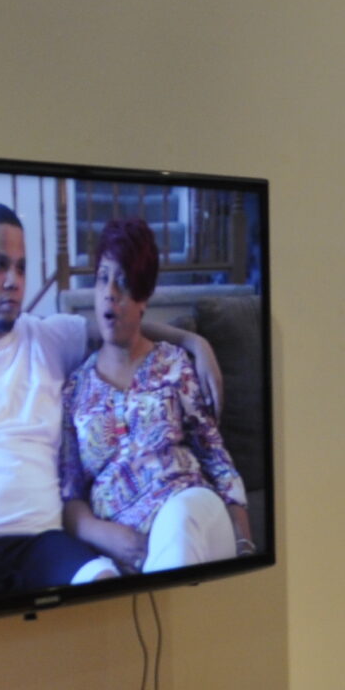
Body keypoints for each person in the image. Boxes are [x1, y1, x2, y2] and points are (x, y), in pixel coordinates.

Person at [0, 203, 221, 613]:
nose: (14, 281)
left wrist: (192, 342)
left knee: (110, 597)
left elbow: (119, 326)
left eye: (21, 267)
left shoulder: (49, 338)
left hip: (42, 546)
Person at [56, 218, 252, 575]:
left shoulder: (173, 364)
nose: (109, 293)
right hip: (124, 546)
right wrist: (106, 535)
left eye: (124, 282)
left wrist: (245, 545)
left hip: (191, 510)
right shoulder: (75, 389)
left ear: (144, 297)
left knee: (178, 524)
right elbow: (70, 496)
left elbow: (218, 462)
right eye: (102, 277)